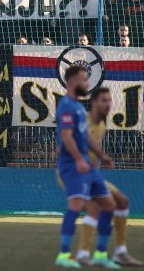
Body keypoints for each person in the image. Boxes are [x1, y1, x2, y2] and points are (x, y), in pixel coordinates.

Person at [54, 65, 118, 269]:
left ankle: (100, 253)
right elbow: (66, 137)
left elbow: (86, 136)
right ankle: (64, 254)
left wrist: (102, 155)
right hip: (73, 164)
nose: (87, 84)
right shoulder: (65, 106)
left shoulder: (79, 107)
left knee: (108, 205)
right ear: (72, 83)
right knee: (77, 204)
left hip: (87, 164)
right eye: (84, 80)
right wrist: (80, 160)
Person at [75, 88, 143, 267]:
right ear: (94, 103)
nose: (108, 104)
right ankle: (88, 253)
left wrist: (102, 158)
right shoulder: (83, 121)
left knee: (121, 202)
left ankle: (118, 252)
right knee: (97, 207)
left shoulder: (102, 125)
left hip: (91, 173)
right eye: (104, 100)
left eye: (109, 101)